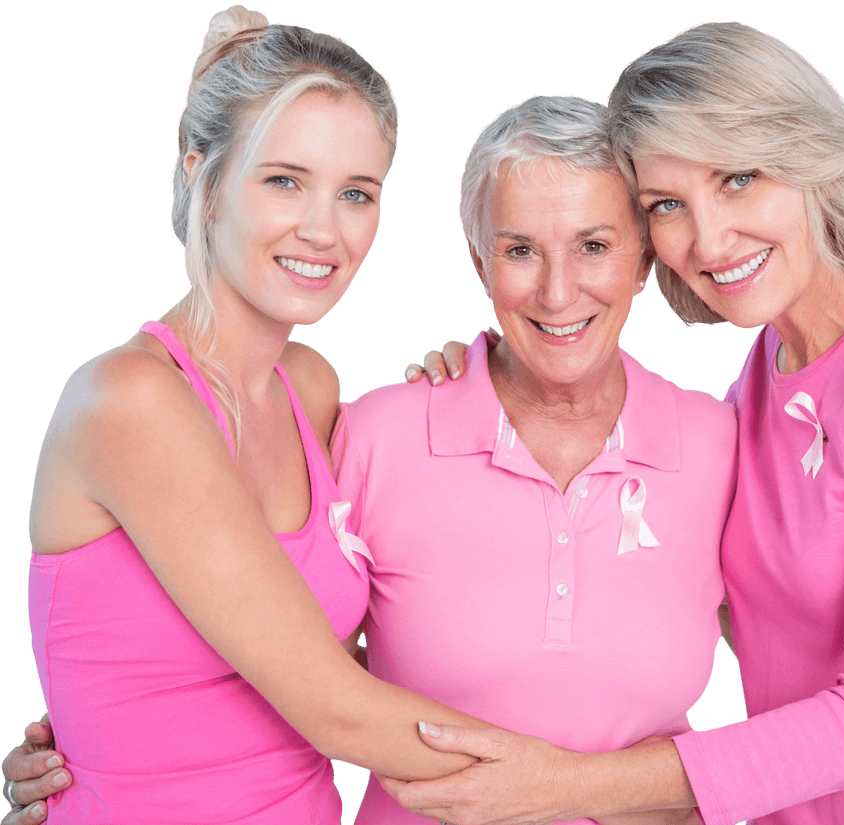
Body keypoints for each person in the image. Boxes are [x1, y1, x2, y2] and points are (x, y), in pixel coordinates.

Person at [383, 20, 844, 825]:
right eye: (669, 204)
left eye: (739, 178)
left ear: (809, 156)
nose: (710, 239)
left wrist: (562, 786)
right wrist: (498, 378)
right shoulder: (754, 388)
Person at [6, 93, 735, 825]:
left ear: (644, 260)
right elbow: (304, 668)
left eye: (594, 246)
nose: (557, 289)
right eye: (519, 250)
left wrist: (621, 790)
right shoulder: (376, 433)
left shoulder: (723, 444)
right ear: (481, 266)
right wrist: (100, 724)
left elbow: (798, 710)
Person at [1, 6, 488, 823]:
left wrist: (475, 392)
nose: (323, 229)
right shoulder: (129, 401)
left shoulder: (312, 386)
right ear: (205, 177)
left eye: (356, 193)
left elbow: (353, 655)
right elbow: (338, 710)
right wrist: (595, 786)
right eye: (283, 180)